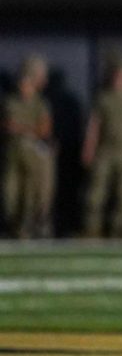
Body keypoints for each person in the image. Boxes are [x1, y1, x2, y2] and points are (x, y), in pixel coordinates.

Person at [81, 54, 122, 238]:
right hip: (105, 149)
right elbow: (94, 125)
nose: (119, 79)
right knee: (96, 191)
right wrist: (89, 148)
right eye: (117, 76)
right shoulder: (104, 98)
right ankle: (92, 228)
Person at [2, 55, 54, 239]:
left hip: (32, 155)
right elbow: (6, 124)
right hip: (12, 154)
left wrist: (21, 128)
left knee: (31, 195)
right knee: (9, 194)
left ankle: (26, 229)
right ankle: (13, 226)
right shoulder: (9, 101)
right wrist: (20, 129)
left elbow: (44, 129)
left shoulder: (40, 104)